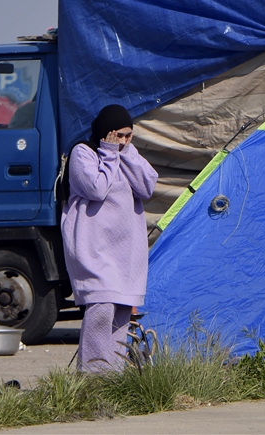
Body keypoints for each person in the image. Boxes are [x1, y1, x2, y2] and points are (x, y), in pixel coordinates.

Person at [61, 104, 157, 372]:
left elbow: (147, 186)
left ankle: (112, 377)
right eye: (119, 135)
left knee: (121, 313)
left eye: (128, 135)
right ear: (106, 132)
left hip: (126, 253)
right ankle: (92, 376)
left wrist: (126, 153)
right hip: (95, 249)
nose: (123, 141)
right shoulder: (84, 152)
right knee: (101, 308)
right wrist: (109, 152)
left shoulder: (126, 153)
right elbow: (96, 188)